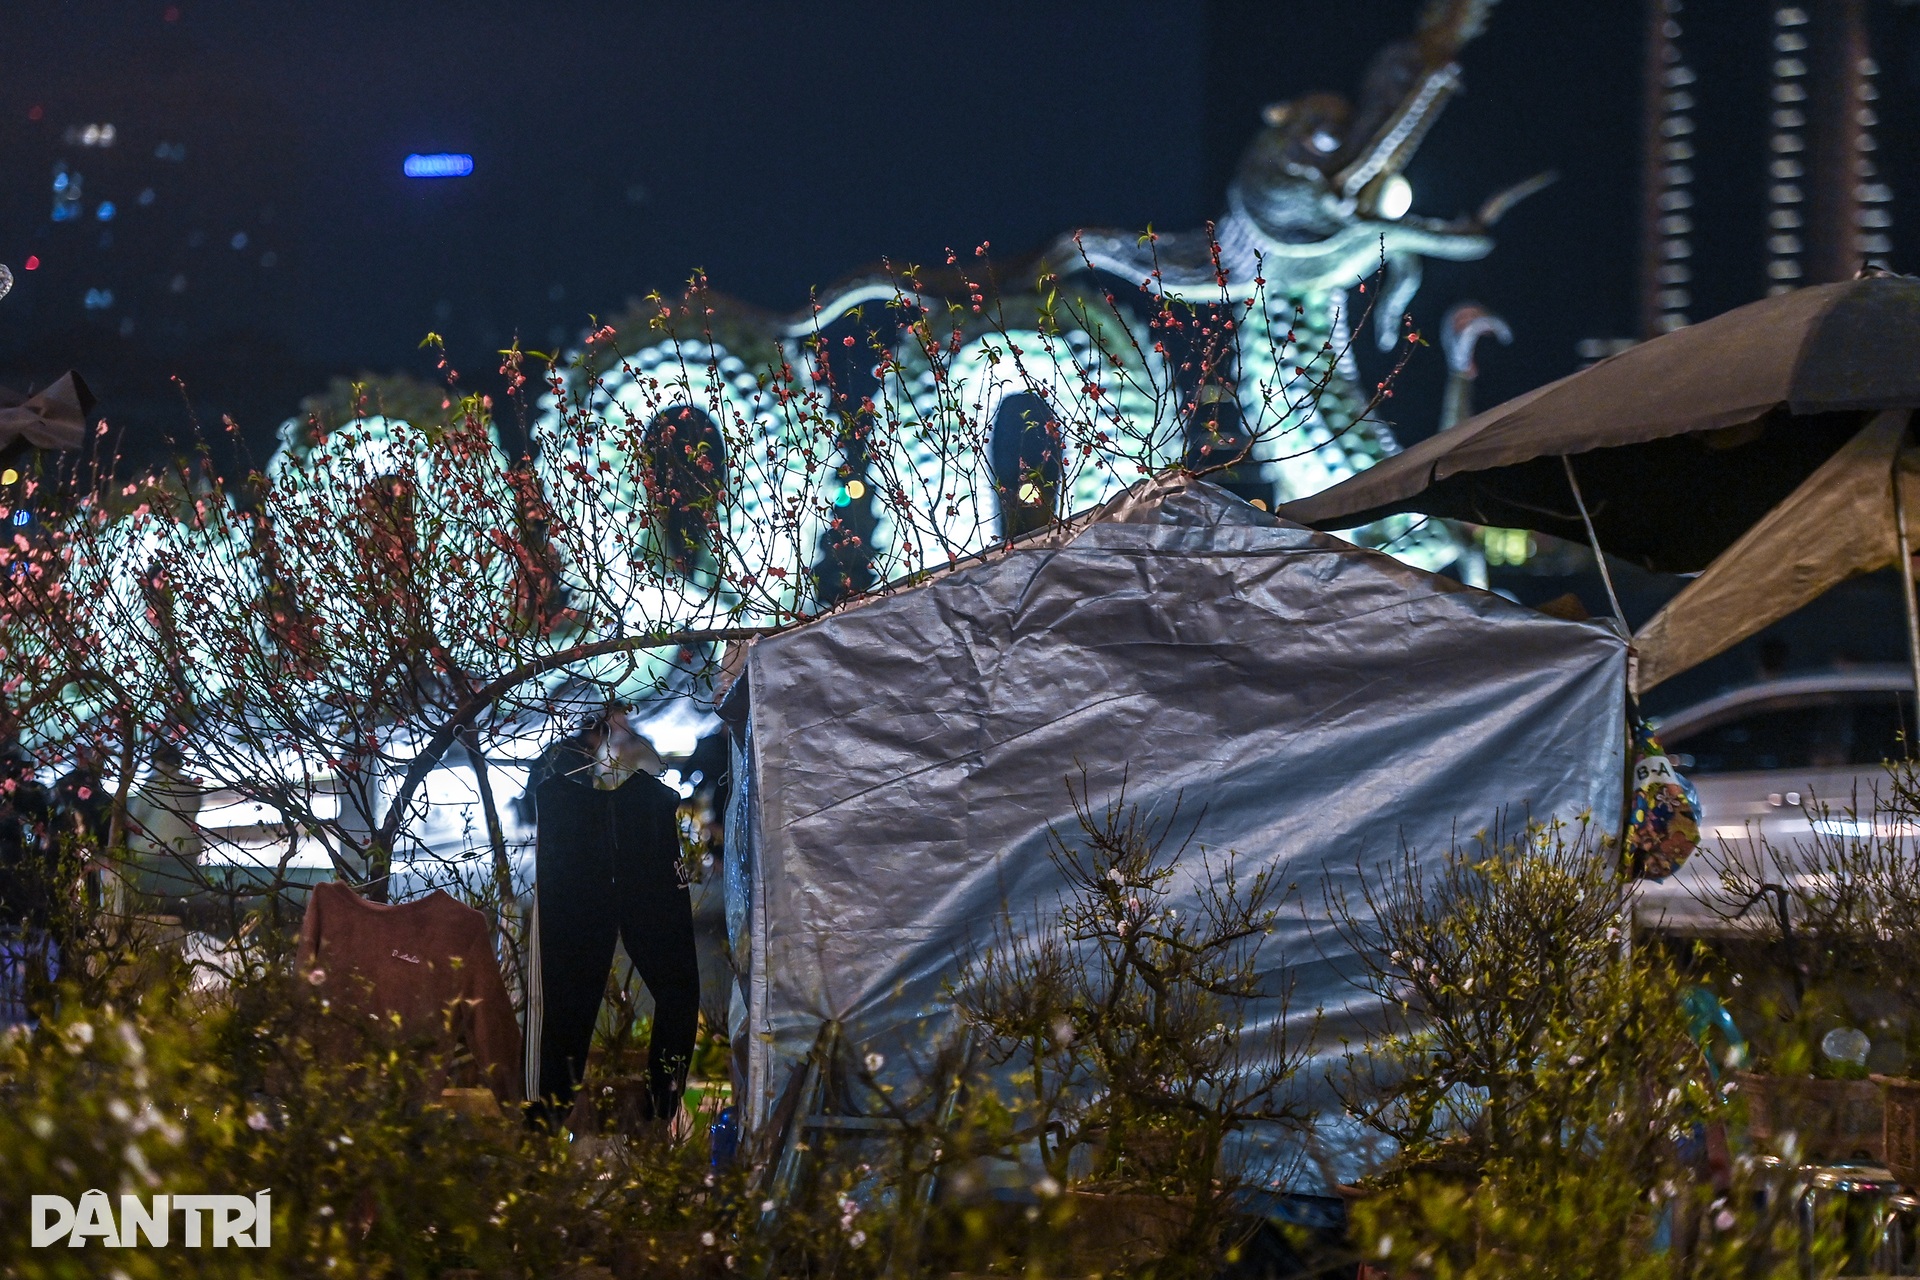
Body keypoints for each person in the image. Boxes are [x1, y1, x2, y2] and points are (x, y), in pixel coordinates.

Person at [523, 703, 699, 1133]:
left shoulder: (641, 789)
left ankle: (650, 1104)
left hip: (634, 835)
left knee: (570, 990)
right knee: (563, 990)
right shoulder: (565, 777)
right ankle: (551, 1114)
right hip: (575, 839)